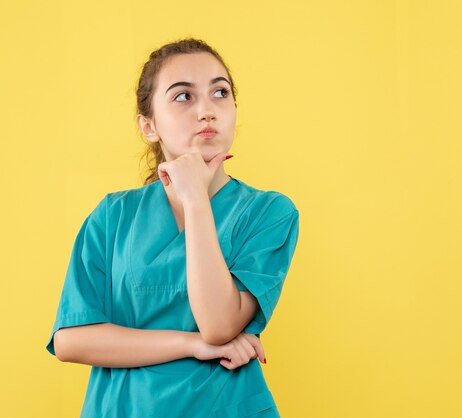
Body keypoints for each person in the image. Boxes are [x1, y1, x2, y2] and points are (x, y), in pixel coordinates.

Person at [45, 38, 300, 417]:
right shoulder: (113, 216)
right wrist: (191, 344)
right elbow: (71, 340)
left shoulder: (268, 212)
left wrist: (195, 198)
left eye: (220, 92)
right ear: (149, 126)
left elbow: (218, 324)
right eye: (183, 97)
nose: (207, 111)